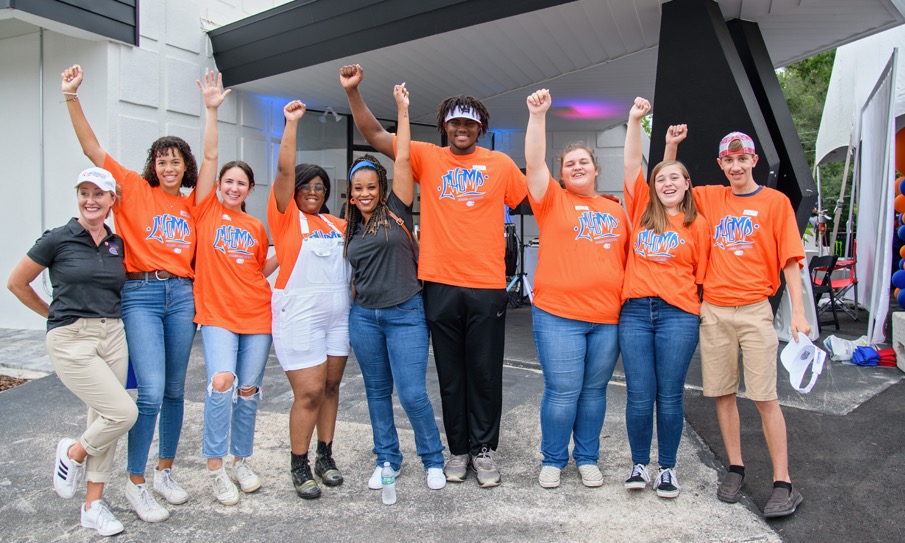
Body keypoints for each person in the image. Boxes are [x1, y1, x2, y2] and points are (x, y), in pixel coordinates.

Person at [341, 64, 527, 487]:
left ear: (479, 129)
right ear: (444, 126)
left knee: (484, 371)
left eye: (469, 123)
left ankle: (483, 450)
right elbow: (374, 136)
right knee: (449, 372)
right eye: (454, 122)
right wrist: (354, 93)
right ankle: (457, 450)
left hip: (486, 284)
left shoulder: (499, 164)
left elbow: (531, 193)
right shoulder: (427, 156)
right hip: (439, 283)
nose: (461, 128)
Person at [62, 64, 197, 522]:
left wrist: (213, 111)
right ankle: (136, 481)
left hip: (182, 295)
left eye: (176, 159)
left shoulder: (191, 203)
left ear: (186, 166)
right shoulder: (133, 190)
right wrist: (71, 97)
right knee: (152, 392)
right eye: (162, 159)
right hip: (140, 295)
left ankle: (165, 471)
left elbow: (217, 161)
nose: (168, 166)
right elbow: (92, 148)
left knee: (177, 390)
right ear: (152, 166)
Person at [8, 167, 137, 536]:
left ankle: (93, 507)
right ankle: (72, 454)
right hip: (72, 338)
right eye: (84, 193)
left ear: (112, 201)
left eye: (99, 194)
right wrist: (53, 315)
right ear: (78, 197)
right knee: (122, 413)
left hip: (113, 334)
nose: (91, 200)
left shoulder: (117, 243)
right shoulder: (57, 238)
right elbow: (17, 283)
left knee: (102, 419)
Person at [687, 129, 809, 518]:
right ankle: (735, 468)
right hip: (716, 310)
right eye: (729, 160)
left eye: (743, 159)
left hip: (756, 308)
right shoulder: (710, 196)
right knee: (723, 393)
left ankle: (784, 482)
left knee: (764, 396)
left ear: (754, 160)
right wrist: (670, 144)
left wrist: (800, 314)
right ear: (720, 163)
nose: (736, 166)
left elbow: (790, 259)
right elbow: (668, 181)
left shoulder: (775, 203)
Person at [524, 89, 628, 489]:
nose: (577, 166)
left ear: (596, 169)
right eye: (570, 163)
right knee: (564, 392)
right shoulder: (551, 200)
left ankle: (586, 457)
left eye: (584, 161)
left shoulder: (615, 210)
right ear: (562, 173)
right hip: (559, 316)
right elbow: (534, 162)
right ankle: (553, 458)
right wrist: (538, 116)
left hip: (607, 318)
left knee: (594, 392)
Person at [345, 84, 447, 492]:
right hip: (364, 319)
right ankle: (387, 458)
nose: (365, 193)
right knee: (375, 394)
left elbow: (403, 155)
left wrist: (403, 109)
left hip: (405, 314)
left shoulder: (398, 209)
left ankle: (433, 459)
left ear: (382, 187)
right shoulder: (349, 227)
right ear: (350, 195)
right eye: (358, 189)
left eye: (371, 187)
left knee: (412, 394)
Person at [619, 98, 711, 498]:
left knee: (669, 396)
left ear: (687, 184)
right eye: (661, 179)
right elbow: (630, 164)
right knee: (640, 394)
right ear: (653, 187)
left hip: (678, 315)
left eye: (675, 178)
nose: (668, 183)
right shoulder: (641, 210)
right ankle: (639, 464)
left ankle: (667, 469)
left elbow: (703, 276)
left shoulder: (697, 224)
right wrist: (635, 120)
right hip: (636, 313)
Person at [193, 72, 277, 505]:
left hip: (257, 314)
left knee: (248, 390)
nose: (232, 187)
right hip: (217, 314)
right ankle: (215, 467)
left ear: (248, 190)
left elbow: (258, 270)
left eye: (241, 183)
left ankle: (241, 460)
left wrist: (291, 250)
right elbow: (209, 156)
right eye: (228, 181)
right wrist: (212, 109)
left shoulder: (255, 225)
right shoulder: (204, 211)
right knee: (223, 380)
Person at [268, 99, 350, 500]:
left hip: (338, 315)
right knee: (310, 392)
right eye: (306, 187)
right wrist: (291, 124)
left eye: (320, 188)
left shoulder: (338, 225)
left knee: (332, 388)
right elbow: (284, 168)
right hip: (298, 313)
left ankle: (325, 456)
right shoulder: (285, 217)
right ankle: (298, 462)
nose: (313, 192)